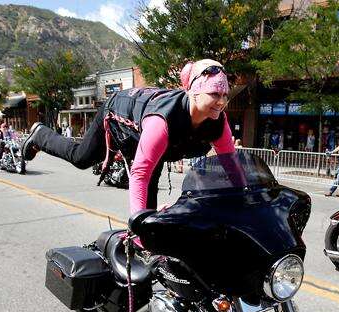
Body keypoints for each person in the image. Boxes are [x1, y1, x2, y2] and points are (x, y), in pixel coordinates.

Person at [21, 58, 238, 216]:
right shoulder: (161, 121)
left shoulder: (218, 121)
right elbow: (140, 175)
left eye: (224, 95)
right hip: (117, 114)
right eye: (214, 94)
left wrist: (248, 201)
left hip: (158, 137)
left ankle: (149, 244)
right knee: (81, 158)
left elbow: (233, 167)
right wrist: (137, 222)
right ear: (194, 91)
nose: (221, 102)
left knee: (152, 190)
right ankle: (41, 134)